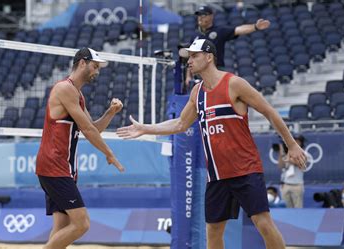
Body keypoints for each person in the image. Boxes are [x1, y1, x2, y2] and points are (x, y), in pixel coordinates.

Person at [117, 39, 307, 249]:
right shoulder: (197, 92)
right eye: (189, 56)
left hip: (245, 169)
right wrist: (146, 128)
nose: (190, 60)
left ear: (209, 57)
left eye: (194, 55)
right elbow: (181, 123)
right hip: (217, 175)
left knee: (263, 223)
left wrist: (292, 145)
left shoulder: (234, 84)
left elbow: (269, 112)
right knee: (213, 230)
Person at [36, 47, 125, 249]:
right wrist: (109, 153)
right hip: (54, 166)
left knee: (62, 227)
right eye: (95, 66)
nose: (97, 71)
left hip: (62, 167)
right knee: (82, 223)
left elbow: (93, 128)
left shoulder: (77, 94)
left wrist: (110, 113)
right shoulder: (65, 89)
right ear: (82, 63)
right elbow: (87, 130)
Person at [184, 5, 271, 88]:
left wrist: (255, 27)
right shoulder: (195, 35)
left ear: (211, 16)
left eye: (203, 15)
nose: (200, 17)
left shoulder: (219, 31)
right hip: (200, 72)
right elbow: (191, 56)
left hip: (216, 69)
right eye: (198, 15)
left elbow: (238, 30)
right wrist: (188, 76)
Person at [278, 134, 305, 208]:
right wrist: (281, 153)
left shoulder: (304, 153)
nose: (296, 143)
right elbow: (280, 166)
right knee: (286, 210)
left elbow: (299, 163)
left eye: (297, 141)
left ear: (301, 143)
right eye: (294, 141)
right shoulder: (286, 154)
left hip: (297, 185)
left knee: (298, 209)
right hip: (286, 185)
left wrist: (286, 157)